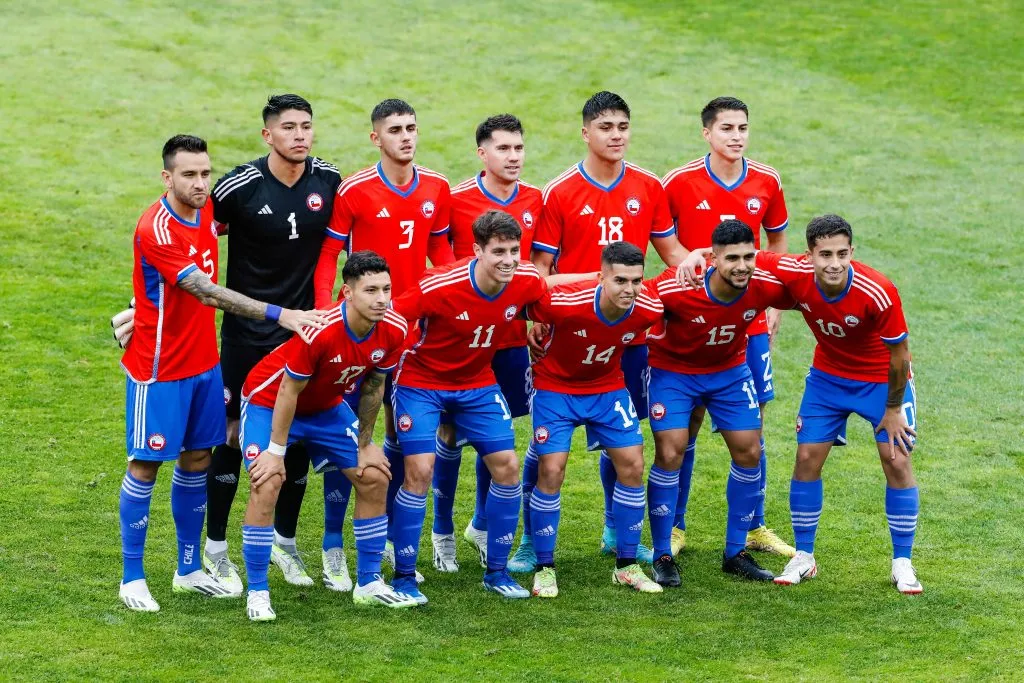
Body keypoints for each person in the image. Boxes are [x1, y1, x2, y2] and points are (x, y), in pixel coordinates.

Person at [112, 95, 345, 593]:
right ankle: (132, 577)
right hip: (160, 368)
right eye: (189, 175)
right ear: (166, 177)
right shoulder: (160, 225)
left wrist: (135, 306)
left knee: (200, 455)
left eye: (204, 174)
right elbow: (201, 288)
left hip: (203, 361)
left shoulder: (203, 214)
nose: (200, 185)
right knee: (148, 462)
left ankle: (190, 568)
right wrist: (281, 313)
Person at [680, 214, 921, 594]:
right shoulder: (792, 270)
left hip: (881, 382)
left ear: (852, 252)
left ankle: (902, 562)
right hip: (828, 378)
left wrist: (892, 410)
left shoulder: (878, 290)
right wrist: (698, 253)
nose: (834, 263)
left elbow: (900, 355)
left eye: (842, 253)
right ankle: (804, 556)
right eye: (824, 254)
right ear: (808, 256)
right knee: (807, 458)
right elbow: (747, 254)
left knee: (897, 459)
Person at [525, 90, 687, 568]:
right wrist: (535, 317)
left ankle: (618, 529)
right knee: (547, 448)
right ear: (585, 133)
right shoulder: (561, 192)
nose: (616, 136)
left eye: (622, 127)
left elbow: (671, 251)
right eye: (605, 128)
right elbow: (539, 272)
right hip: (567, 333)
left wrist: (695, 263)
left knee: (623, 435)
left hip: (628, 335)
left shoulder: (648, 186)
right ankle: (530, 541)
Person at [388, 210, 566, 603]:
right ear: (477, 251)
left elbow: (551, 286)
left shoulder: (523, 280)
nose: (508, 259)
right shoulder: (439, 285)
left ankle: (497, 572)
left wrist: (602, 280)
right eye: (498, 251)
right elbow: (391, 317)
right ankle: (402, 577)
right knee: (419, 470)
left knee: (508, 466)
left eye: (514, 250)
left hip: (477, 383)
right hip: (422, 382)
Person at [313, 99, 455, 575]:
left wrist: (454, 308)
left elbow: (442, 257)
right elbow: (329, 254)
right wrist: (320, 312)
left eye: (412, 128)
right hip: (358, 331)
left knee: (400, 432)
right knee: (347, 437)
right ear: (376, 138)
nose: (406, 137)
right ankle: (334, 542)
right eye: (395, 130)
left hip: (411, 334)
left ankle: (392, 537)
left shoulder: (436, 187)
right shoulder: (354, 190)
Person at [237, 251, 418, 621]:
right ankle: (257, 591)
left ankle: (368, 583)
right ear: (346, 292)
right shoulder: (320, 329)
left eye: (386, 288)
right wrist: (275, 451)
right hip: (270, 402)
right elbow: (288, 391)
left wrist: (366, 445)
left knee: (375, 476)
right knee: (267, 480)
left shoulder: (395, 328)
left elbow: (373, 386)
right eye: (371, 290)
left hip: (325, 407)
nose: (382, 298)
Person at [661, 96, 794, 558]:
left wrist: (771, 303)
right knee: (687, 426)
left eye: (742, 127)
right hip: (693, 321)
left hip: (748, 321)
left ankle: (754, 524)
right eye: (726, 128)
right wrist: (689, 266)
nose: (736, 136)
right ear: (707, 133)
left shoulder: (767, 179)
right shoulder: (678, 182)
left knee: (753, 425)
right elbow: (664, 240)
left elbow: (776, 242)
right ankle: (675, 527)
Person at [646, 220, 795, 587]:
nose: (742, 266)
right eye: (732, 259)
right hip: (673, 374)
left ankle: (735, 552)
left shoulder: (761, 282)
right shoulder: (679, 284)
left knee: (749, 451)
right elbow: (629, 299)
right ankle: (662, 552)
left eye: (748, 257)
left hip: (729, 373)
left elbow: (809, 278)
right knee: (671, 450)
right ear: (713, 258)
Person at [432, 114, 543, 573]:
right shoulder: (455, 200)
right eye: (503, 149)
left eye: (518, 148)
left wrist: (536, 318)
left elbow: (536, 269)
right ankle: (441, 533)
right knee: (450, 433)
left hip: (511, 338)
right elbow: (438, 261)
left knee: (497, 431)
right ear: (482, 152)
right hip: (461, 338)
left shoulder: (536, 198)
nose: (513, 157)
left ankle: (479, 524)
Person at [526, 242, 665, 598]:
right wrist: (528, 330)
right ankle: (544, 567)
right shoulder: (565, 303)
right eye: (620, 280)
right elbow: (521, 301)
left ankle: (626, 566)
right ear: (600, 277)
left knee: (633, 464)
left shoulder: (647, 308)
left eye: (636, 281)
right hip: (555, 388)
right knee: (552, 469)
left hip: (607, 389)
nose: (629, 290)